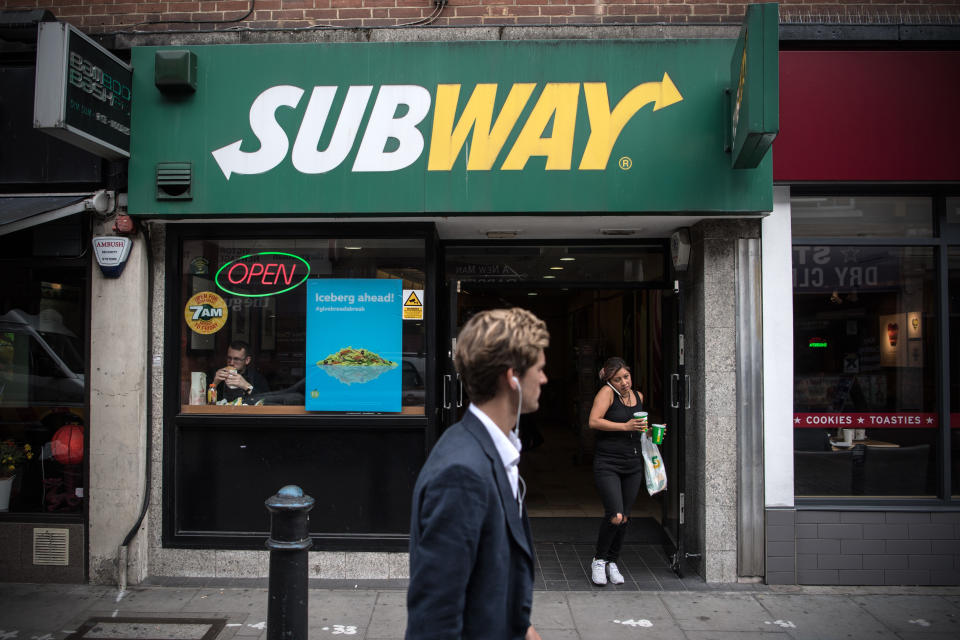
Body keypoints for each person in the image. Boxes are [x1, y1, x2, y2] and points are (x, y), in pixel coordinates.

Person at [406, 308, 549, 640]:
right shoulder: (461, 474)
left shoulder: (489, 448)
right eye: (539, 369)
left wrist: (521, 625)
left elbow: (487, 573)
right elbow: (434, 621)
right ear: (512, 377)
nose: (544, 379)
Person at [587, 356, 659, 586]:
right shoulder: (606, 394)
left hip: (632, 464)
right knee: (615, 515)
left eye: (626, 377)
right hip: (608, 463)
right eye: (617, 379)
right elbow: (594, 421)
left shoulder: (638, 397)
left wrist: (650, 434)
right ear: (609, 380)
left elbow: (639, 431)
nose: (624, 383)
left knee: (625, 517)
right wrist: (624, 426)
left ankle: (612, 561)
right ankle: (599, 560)